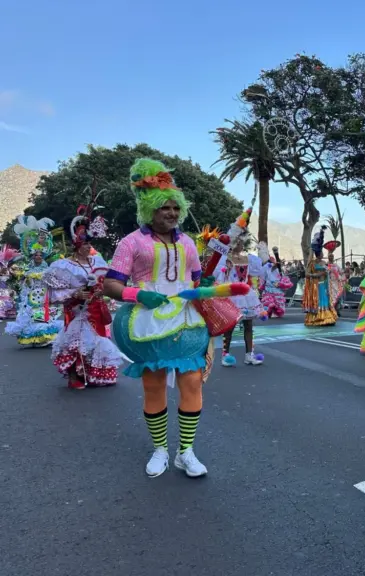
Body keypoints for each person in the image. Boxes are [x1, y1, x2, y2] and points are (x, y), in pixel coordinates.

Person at [103, 158, 216, 478]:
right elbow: (110, 284)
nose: (172, 213)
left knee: (192, 383)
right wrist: (137, 295)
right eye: (165, 207)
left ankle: (186, 452)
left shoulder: (189, 244)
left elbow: (196, 281)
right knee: (154, 387)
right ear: (149, 208)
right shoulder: (131, 243)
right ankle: (160, 450)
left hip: (185, 320)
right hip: (147, 323)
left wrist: (203, 286)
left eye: (175, 207)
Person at [44, 205, 122, 389]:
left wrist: (103, 290)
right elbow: (54, 295)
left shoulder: (98, 261)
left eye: (89, 244)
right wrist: (76, 293)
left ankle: (96, 375)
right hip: (77, 310)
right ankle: (75, 376)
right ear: (77, 245)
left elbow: (105, 281)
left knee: (97, 341)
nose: (89, 247)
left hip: (96, 308)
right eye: (85, 244)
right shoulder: (63, 266)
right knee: (76, 342)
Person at [217, 209, 269, 368]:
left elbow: (260, 272)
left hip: (246, 295)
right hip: (232, 294)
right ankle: (225, 355)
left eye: (241, 239)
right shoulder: (225, 259)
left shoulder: (250, 259)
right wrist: (224, 268)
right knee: (230, 326)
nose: (239, 242)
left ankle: (249, 355)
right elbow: (220, 278)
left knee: (248, 326)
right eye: (237, 239)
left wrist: (264, 255)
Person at [4, 216, 63, 347]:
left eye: (40, 255)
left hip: (43, 294)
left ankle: (44, 337)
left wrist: (43, 277)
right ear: (32, 255)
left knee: (43, 315)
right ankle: (34, 338)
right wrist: (25, 277)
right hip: (31, 295)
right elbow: (24, 277)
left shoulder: (46, 267)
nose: (38, 256)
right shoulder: (29, 266)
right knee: (30, 315)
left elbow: (50, 278)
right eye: (35, 255)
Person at [303, 226, 338, 327]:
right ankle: (317, 318)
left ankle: (327, 317)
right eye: (321, 252)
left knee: (325, 300)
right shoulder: (312, 263)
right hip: (316, 286)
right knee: (319, 301)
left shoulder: (324, 262)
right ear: (318, 253)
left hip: (324, 285)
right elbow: (306, 274)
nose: (323, 254)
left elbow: (329, 270)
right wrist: (317, 275)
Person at [260, 247, 293, 318]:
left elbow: (282, 277)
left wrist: (282, 284)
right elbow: (264, 275)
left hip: (277, 288)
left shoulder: (279, 270)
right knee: (269, 302)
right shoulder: (267, 267)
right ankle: (268, 312)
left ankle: (275, 311)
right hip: (269, 288)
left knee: (278, 302)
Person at [0, 245, 21, 320]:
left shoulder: (9, 265)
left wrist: (14, 272)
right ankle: (2, 313)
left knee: (9, 297)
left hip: (7, 285)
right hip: (1, 286)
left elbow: (13, 274)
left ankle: (9, 312)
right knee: (3, 298)